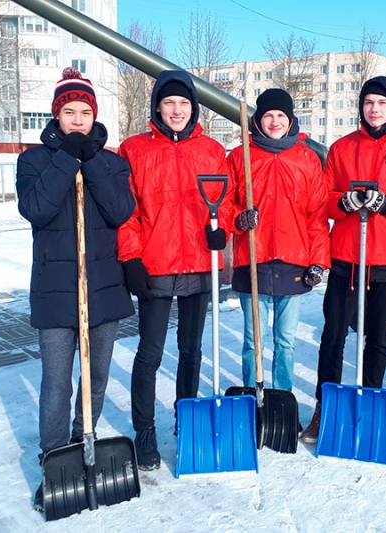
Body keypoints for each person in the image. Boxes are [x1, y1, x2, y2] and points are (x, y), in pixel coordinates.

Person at [16, 67, 135, 510]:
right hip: (54, 290)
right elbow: (37, 209)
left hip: (103, 288)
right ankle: (54, 459)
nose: (78, 120)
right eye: (70, 112)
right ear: (57, 115)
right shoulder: (33, 161)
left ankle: (84, 437)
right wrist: (67, 158)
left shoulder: (111, 161)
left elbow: (121, 210)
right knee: (55, 382)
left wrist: (90, 160)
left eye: (85, 112)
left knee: (97, 377)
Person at [300, 76, 386, 444]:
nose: (374, 109)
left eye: (381, 103)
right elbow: (322, 199)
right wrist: (342, 203)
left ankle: (369, 406)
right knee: (333, 336)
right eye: (368, 102)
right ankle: (323, 408)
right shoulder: (343, 148)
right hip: (347, 257)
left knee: (376, 340)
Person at [117, 70, 230, 471]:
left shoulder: (212, 150)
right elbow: (125, 212)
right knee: (149, 353)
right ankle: (144, 431)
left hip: (200, 263)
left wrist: (223, 232)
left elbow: (226, 202)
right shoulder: (134, 150)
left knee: (191, 351)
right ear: (157, 108)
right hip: (156, 263)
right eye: (169, 103)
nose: (177, 110)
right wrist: (131, 258)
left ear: (194, 108)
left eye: (184, 103)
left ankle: (187, 418)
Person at [226, 88, 330, 394]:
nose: (274, 121)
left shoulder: (307, 160)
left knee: (285, 341)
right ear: (258, 119)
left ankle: (281, 397)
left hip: (293, 261)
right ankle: (251, 396)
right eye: (268, 115)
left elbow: (318, 217)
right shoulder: (240, 156)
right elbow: (225, 201)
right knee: (252, 341)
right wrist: (238, 219)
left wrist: (318, 261)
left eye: (281, 115)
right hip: (253, 259)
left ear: (291, 119)